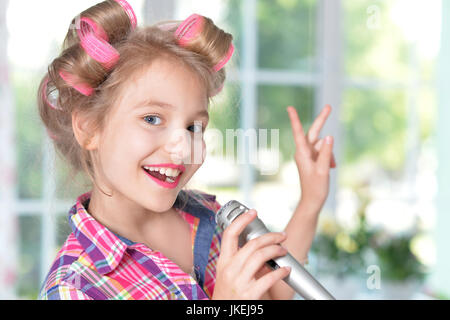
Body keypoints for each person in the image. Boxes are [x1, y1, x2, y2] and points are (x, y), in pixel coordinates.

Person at [37, 0, 335, 300]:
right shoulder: (74, 288)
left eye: (194, 127)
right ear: (89, 127)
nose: (182, 148)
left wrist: (311, 198)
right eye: (152, 119)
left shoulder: (208, 216)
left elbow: (272, 295)